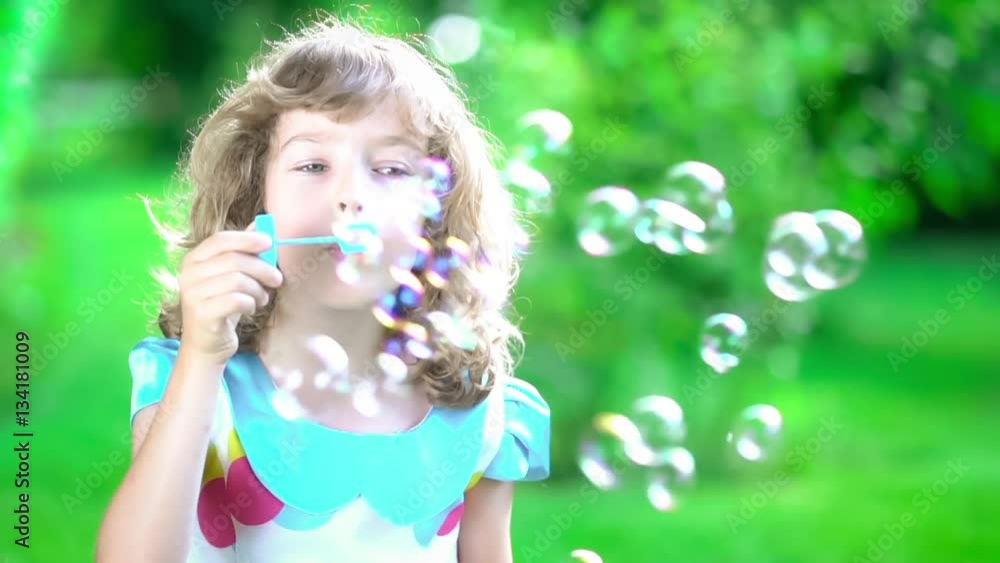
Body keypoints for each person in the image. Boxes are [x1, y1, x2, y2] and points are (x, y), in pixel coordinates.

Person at [96, 14, 550, 563]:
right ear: (255, 198)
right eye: (313, 164)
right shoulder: (194, 386)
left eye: (390, 169)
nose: (351, 195)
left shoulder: (480, 411)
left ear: (435, 215)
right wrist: (201, 357)